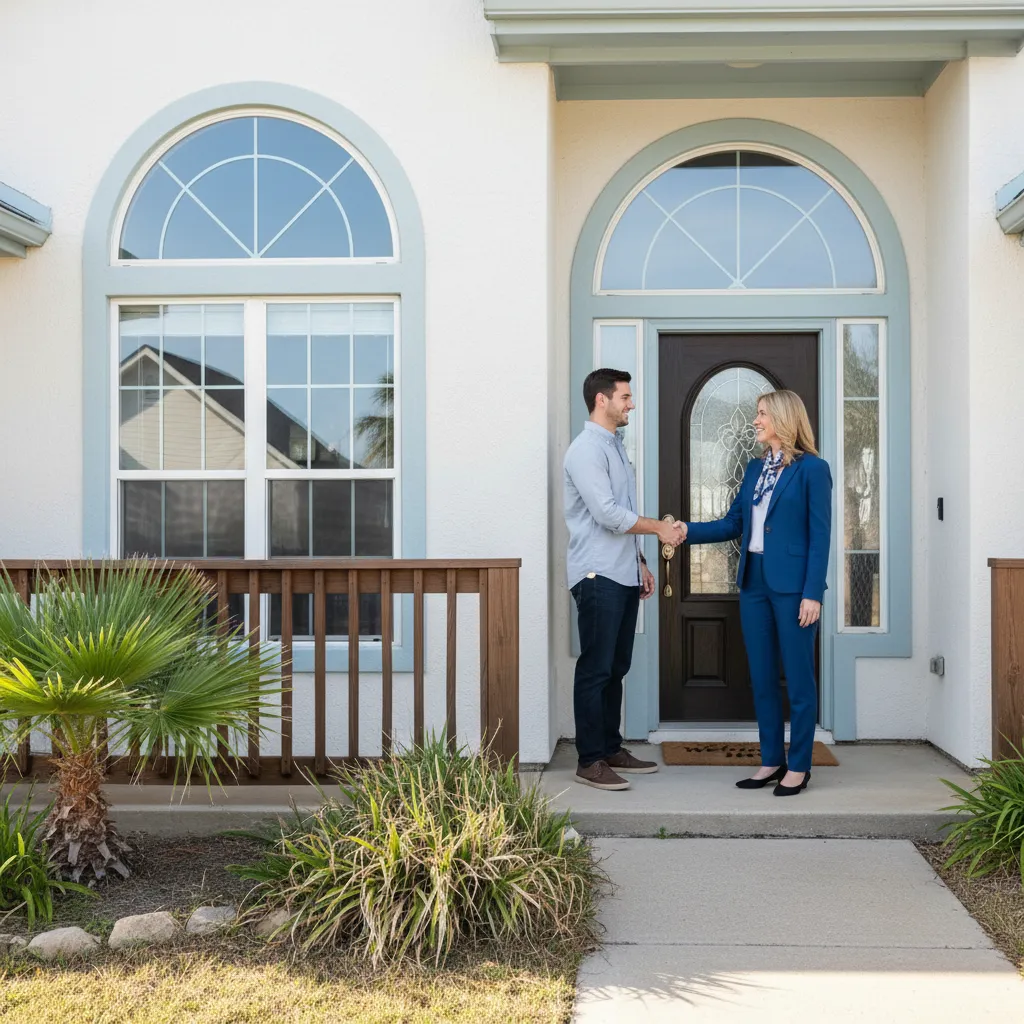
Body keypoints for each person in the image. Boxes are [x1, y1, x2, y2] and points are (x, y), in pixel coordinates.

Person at [679, 390, 832, 796]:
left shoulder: (813, 470)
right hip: (754, 583)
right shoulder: (753, 469)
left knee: (798, 679)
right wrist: (683, 532)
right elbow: (733, 524)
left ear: (783, 419)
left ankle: (798, 767)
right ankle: (770, 761)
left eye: (762, 414)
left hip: (795, 586)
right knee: (761, 678)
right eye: (756, 414)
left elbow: (820, 537)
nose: (755, 420)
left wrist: (812, 593)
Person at [564, 368, 685, 791]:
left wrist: (641, 565)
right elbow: (608, 514)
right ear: (602, 400)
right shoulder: (585, 451)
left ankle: (611, 748)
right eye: (625, 397)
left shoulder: (614, 447)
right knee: (595, 669)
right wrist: (659, 529)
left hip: (622, 572)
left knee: (617, 666)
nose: (631, 403)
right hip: (596, 574)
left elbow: (621, 515)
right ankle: (589, 760)